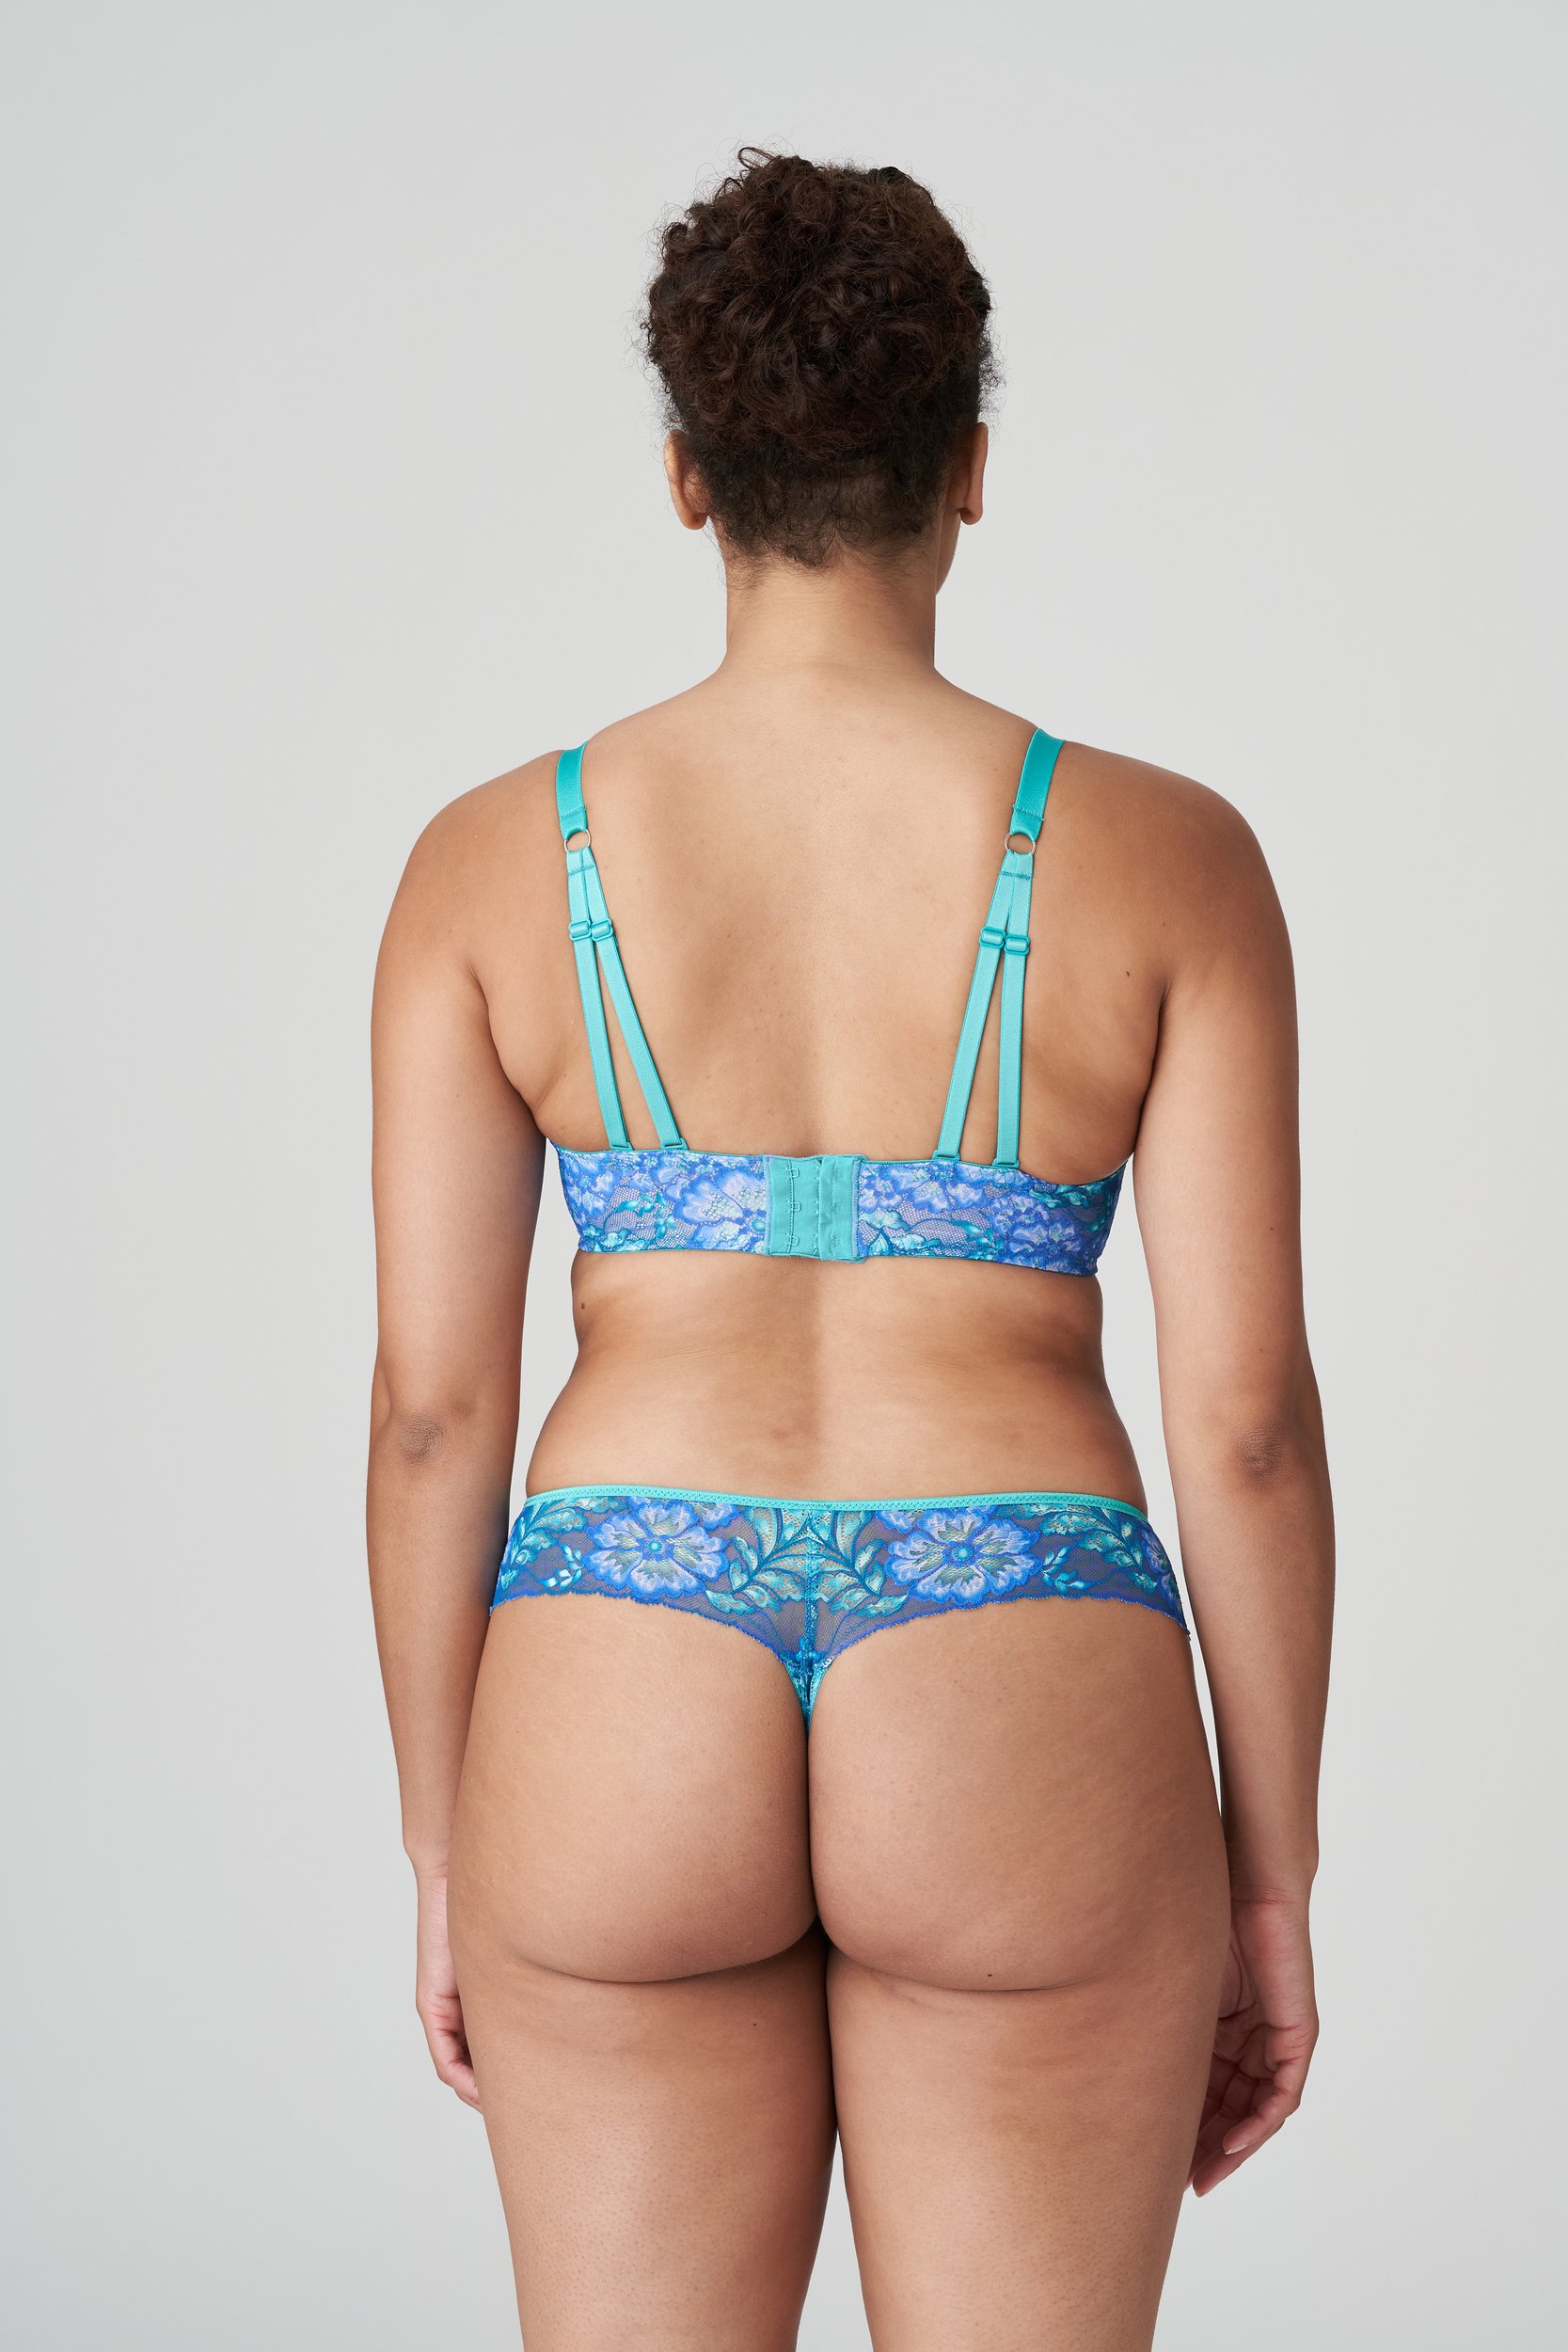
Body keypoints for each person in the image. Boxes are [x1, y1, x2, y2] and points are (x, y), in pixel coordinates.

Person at [368, 148, 1333, 2352]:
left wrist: (446, 1841)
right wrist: (1271, 1873)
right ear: (969, 465)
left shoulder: (490, 862)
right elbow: (1248, 1424)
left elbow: (432, 1414)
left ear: (687, 477)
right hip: (1019, 1661)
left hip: (618, 1664)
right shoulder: (1171, 858)